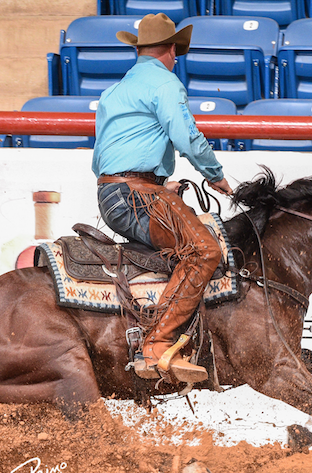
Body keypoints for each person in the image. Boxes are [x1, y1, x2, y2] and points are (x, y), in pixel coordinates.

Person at [92, 13, 232, 383]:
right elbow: (187, 137)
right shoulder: (165, 83)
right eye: (176, 53)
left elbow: (103, 158)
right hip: (136, 194)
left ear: (139, 50)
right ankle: (157, 346)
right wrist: (215, 175)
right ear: (171, 50)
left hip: (111, 195)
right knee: (205, 251)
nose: (176, 59)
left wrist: (155, 184)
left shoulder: (113, 91)